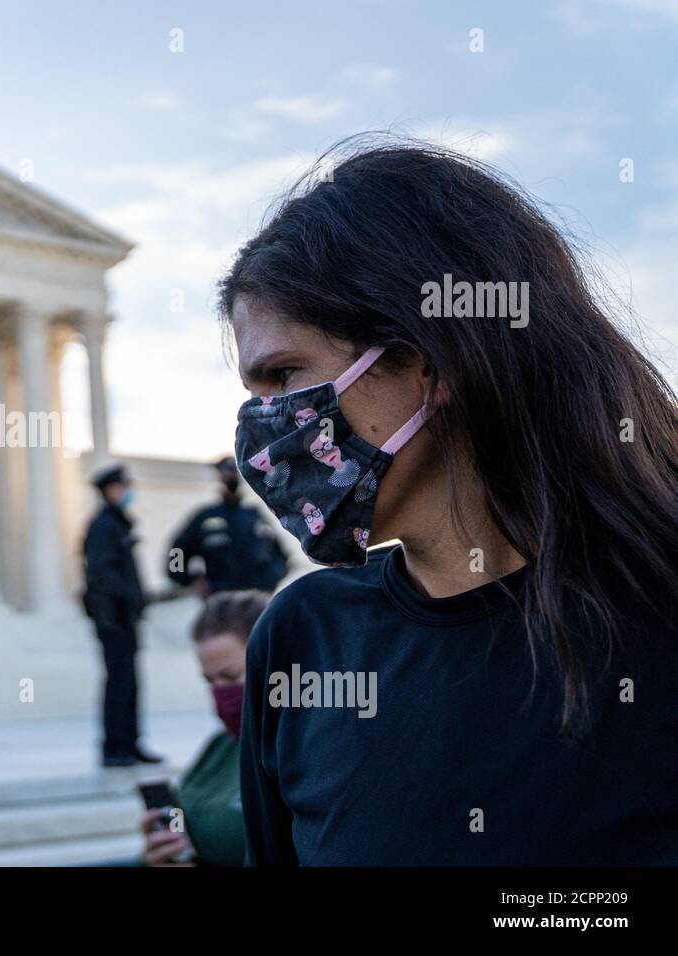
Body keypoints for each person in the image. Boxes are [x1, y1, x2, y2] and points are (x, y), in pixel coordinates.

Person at [221, 137, 678, 865]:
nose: (262, 428)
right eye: (254, 392)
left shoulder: (655, 617)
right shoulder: (304, 639)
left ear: (429, 360)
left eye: (284, 375)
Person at [140, 590, 268, 867]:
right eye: (210, 681)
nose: (221, 693)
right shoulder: (220, 747)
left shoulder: (311, 754)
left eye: (231, 676)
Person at [81, 463, 161, 768]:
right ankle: (115, 747)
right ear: (109, 490)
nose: (127, 492)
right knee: (119, 681)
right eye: (122, 487)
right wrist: (123, 602)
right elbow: (101, 574)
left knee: (129, 681)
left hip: (125, 616)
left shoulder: (118, 523)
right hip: (112, 617)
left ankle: (130, 743)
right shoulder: (104, 526)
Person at [167, 457, 289, 597]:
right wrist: (189, 580)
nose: (231, 475)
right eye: (227, 471)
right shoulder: (205, 518)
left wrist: (270, 579)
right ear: (219, 476)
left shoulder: (255, 516)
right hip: (219, 602)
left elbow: (282, 556)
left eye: (234, 471)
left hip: (255, 601)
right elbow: (177, 550)